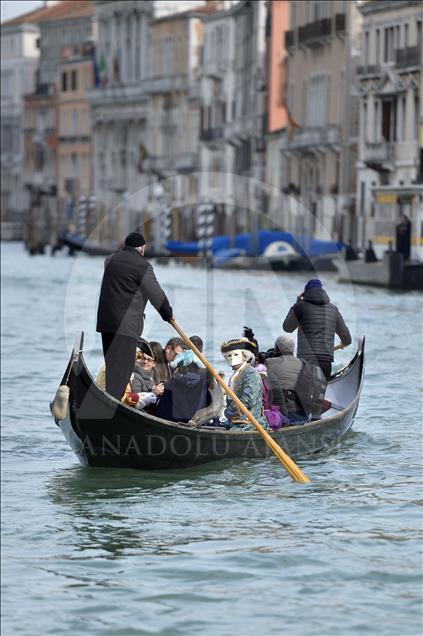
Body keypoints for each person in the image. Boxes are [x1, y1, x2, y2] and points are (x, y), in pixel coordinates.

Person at [96, 232, 173, 400]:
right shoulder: (142, 265)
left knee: (112, 367)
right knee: (123, 370)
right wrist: (168, 315)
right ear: (142, 248)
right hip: (126, 326)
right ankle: (114, 405)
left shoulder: (110, 260)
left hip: (106, 322)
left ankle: (112, 400)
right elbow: (156, 295)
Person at [282, 279, 351, 380]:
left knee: (305, 392)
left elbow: (287, 328)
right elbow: (347, 338)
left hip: (305, 361)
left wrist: (296, 304)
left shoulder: (300, 307)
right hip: (325, 361)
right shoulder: (333, 309)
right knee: (321, 392)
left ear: (305, 293)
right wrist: (343, 343)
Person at [265, 335, 326, 424]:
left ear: (277, 349)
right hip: (303, 415)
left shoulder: (269, 362)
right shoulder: (305, 364)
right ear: (293, 349)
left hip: (280, 415)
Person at [220, 338, 268, 430]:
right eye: (229, 356)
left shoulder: (250, 373)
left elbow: (248, 400)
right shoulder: (236, 374)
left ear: (245, 357)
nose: (232, 358)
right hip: (234, 419)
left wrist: (228, 412)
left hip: (249, 421)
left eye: (236, 355)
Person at [155, 350, 211, 423]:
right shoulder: (204, 384)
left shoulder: (171, 384)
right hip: (196, 424)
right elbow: (210, 405)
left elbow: (161, 412)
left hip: (171, 423)